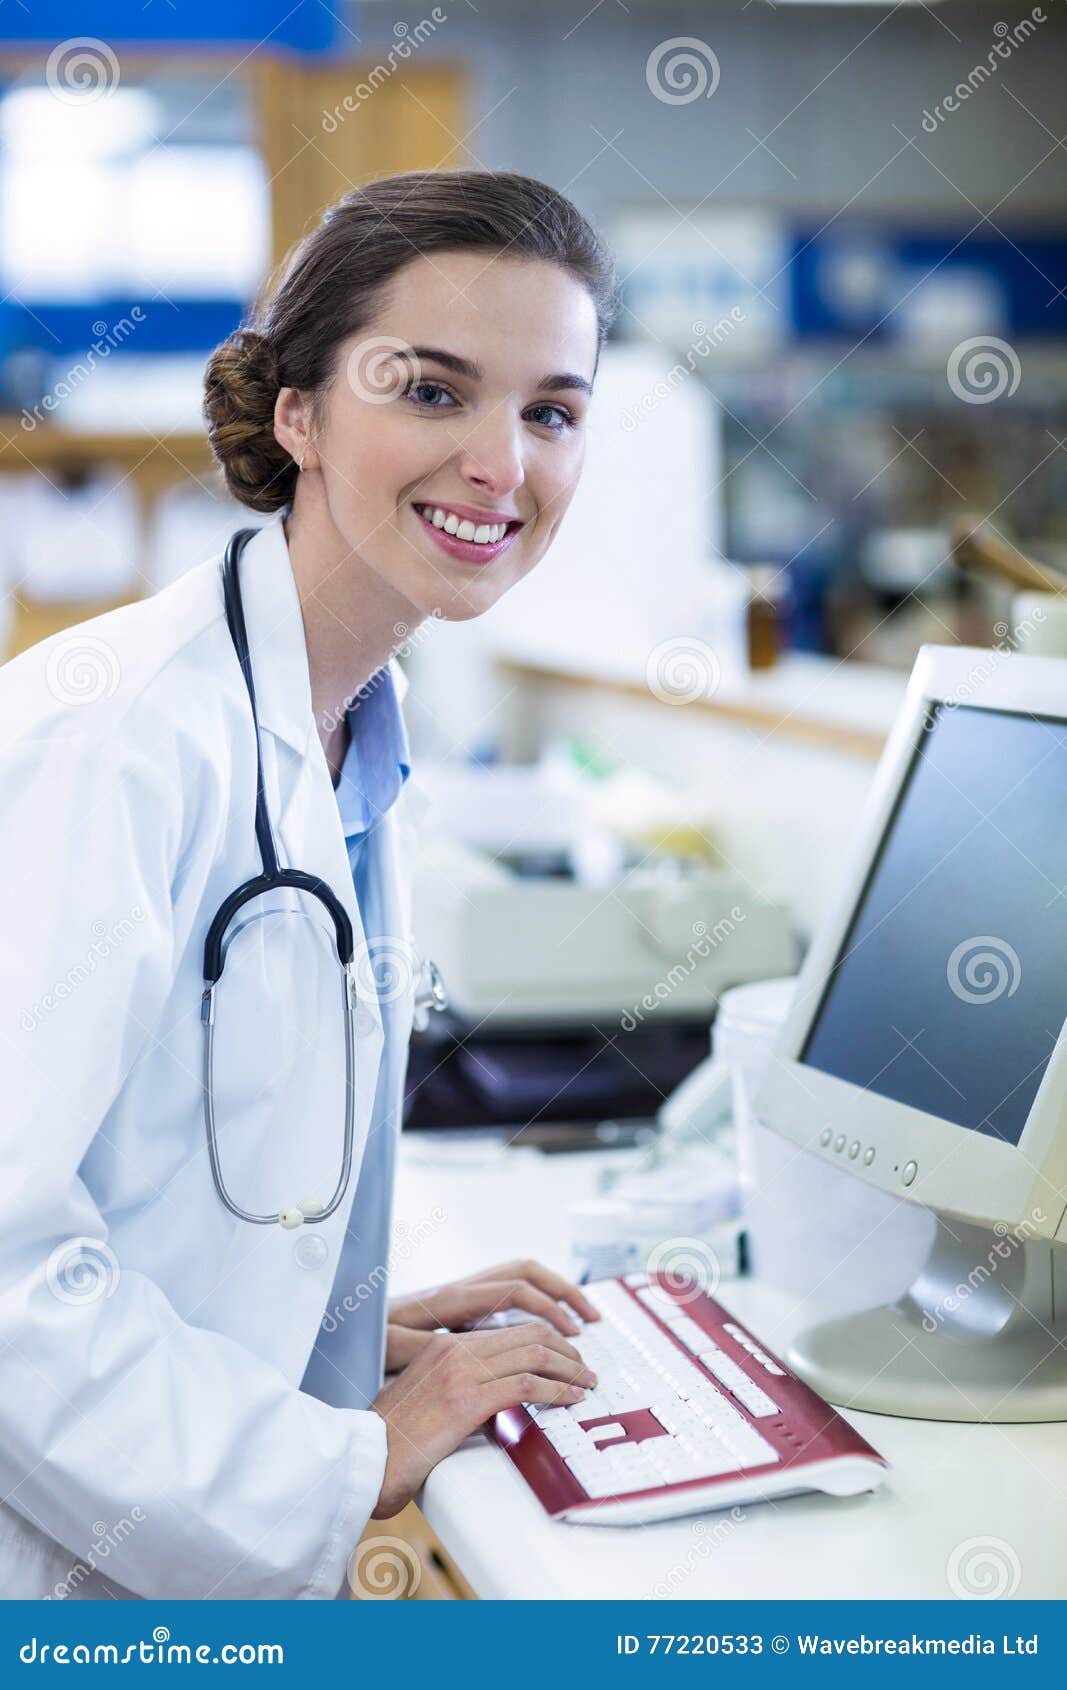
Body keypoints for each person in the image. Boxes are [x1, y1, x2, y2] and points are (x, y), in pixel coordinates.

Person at [0, 170, 618, 1599]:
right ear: (301, 413)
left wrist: (338, 1331)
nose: (499, 464)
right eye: (431, 389)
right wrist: (353, 1448)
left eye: (551, 411)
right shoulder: (119, 736)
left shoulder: (349, 725)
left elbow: (161, 1173)